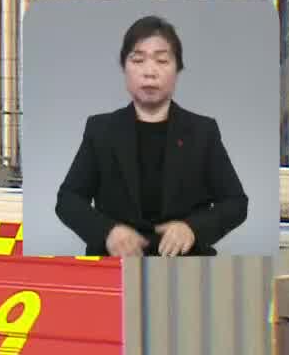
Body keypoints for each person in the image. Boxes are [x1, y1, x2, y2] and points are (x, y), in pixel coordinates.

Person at [54, 14, 249, 257]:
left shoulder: (202, 132)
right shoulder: (101, 130)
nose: (149, 72)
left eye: (162, 61)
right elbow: (68, 200)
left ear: (177, 69)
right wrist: (108, 232)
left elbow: (236, 203)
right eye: (138, 60)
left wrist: (192, 229)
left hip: (185, 266)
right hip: (115, 267)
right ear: (124, 67)